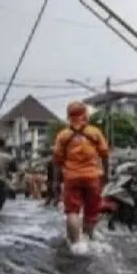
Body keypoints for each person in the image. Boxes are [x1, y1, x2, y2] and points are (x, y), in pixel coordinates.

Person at [53, 101, 111, 246]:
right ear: (85, 115)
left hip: (71, 178)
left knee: (72, 212)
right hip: (92, 177)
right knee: (91, 212)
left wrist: (55, 181)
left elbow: (56, 161)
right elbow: (105, 154)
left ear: (68, 116)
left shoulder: (63, 135)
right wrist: (106, 174)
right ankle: (89, 240)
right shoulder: (95, 132)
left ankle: (76, 245)